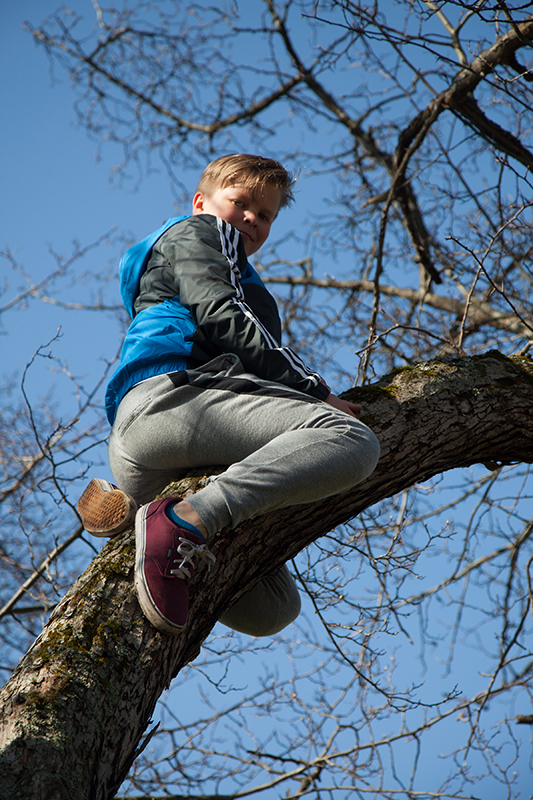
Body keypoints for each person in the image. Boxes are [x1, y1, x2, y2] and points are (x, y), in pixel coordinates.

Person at [77, 154, 380, 637]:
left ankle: (137, 516)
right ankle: (181, 519)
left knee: (275, 608)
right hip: (173, 402)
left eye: (266, 215)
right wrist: (315, 390)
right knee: (352, 439)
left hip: (151, 450)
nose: (252, 219)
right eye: (240, 203)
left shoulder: (222, 262)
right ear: (202, 203)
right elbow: (220, 312)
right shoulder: (200, 233)